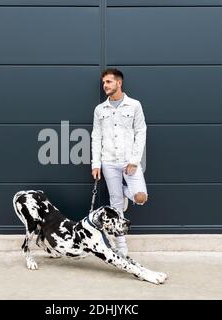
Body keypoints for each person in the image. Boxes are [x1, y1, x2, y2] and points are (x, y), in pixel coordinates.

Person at [91, 68, 148, 257]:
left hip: (128, 162)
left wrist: (134, 160)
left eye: (108, 82)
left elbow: (141, 132)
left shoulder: (134, 105)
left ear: (119, 83)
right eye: (104, 83)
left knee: (140, 198)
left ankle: (125, 192)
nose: (105, 85)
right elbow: (96, 136)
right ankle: (121, 247)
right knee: (115, 205)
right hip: (108, 163)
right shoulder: (100, 109)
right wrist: (95, 164)